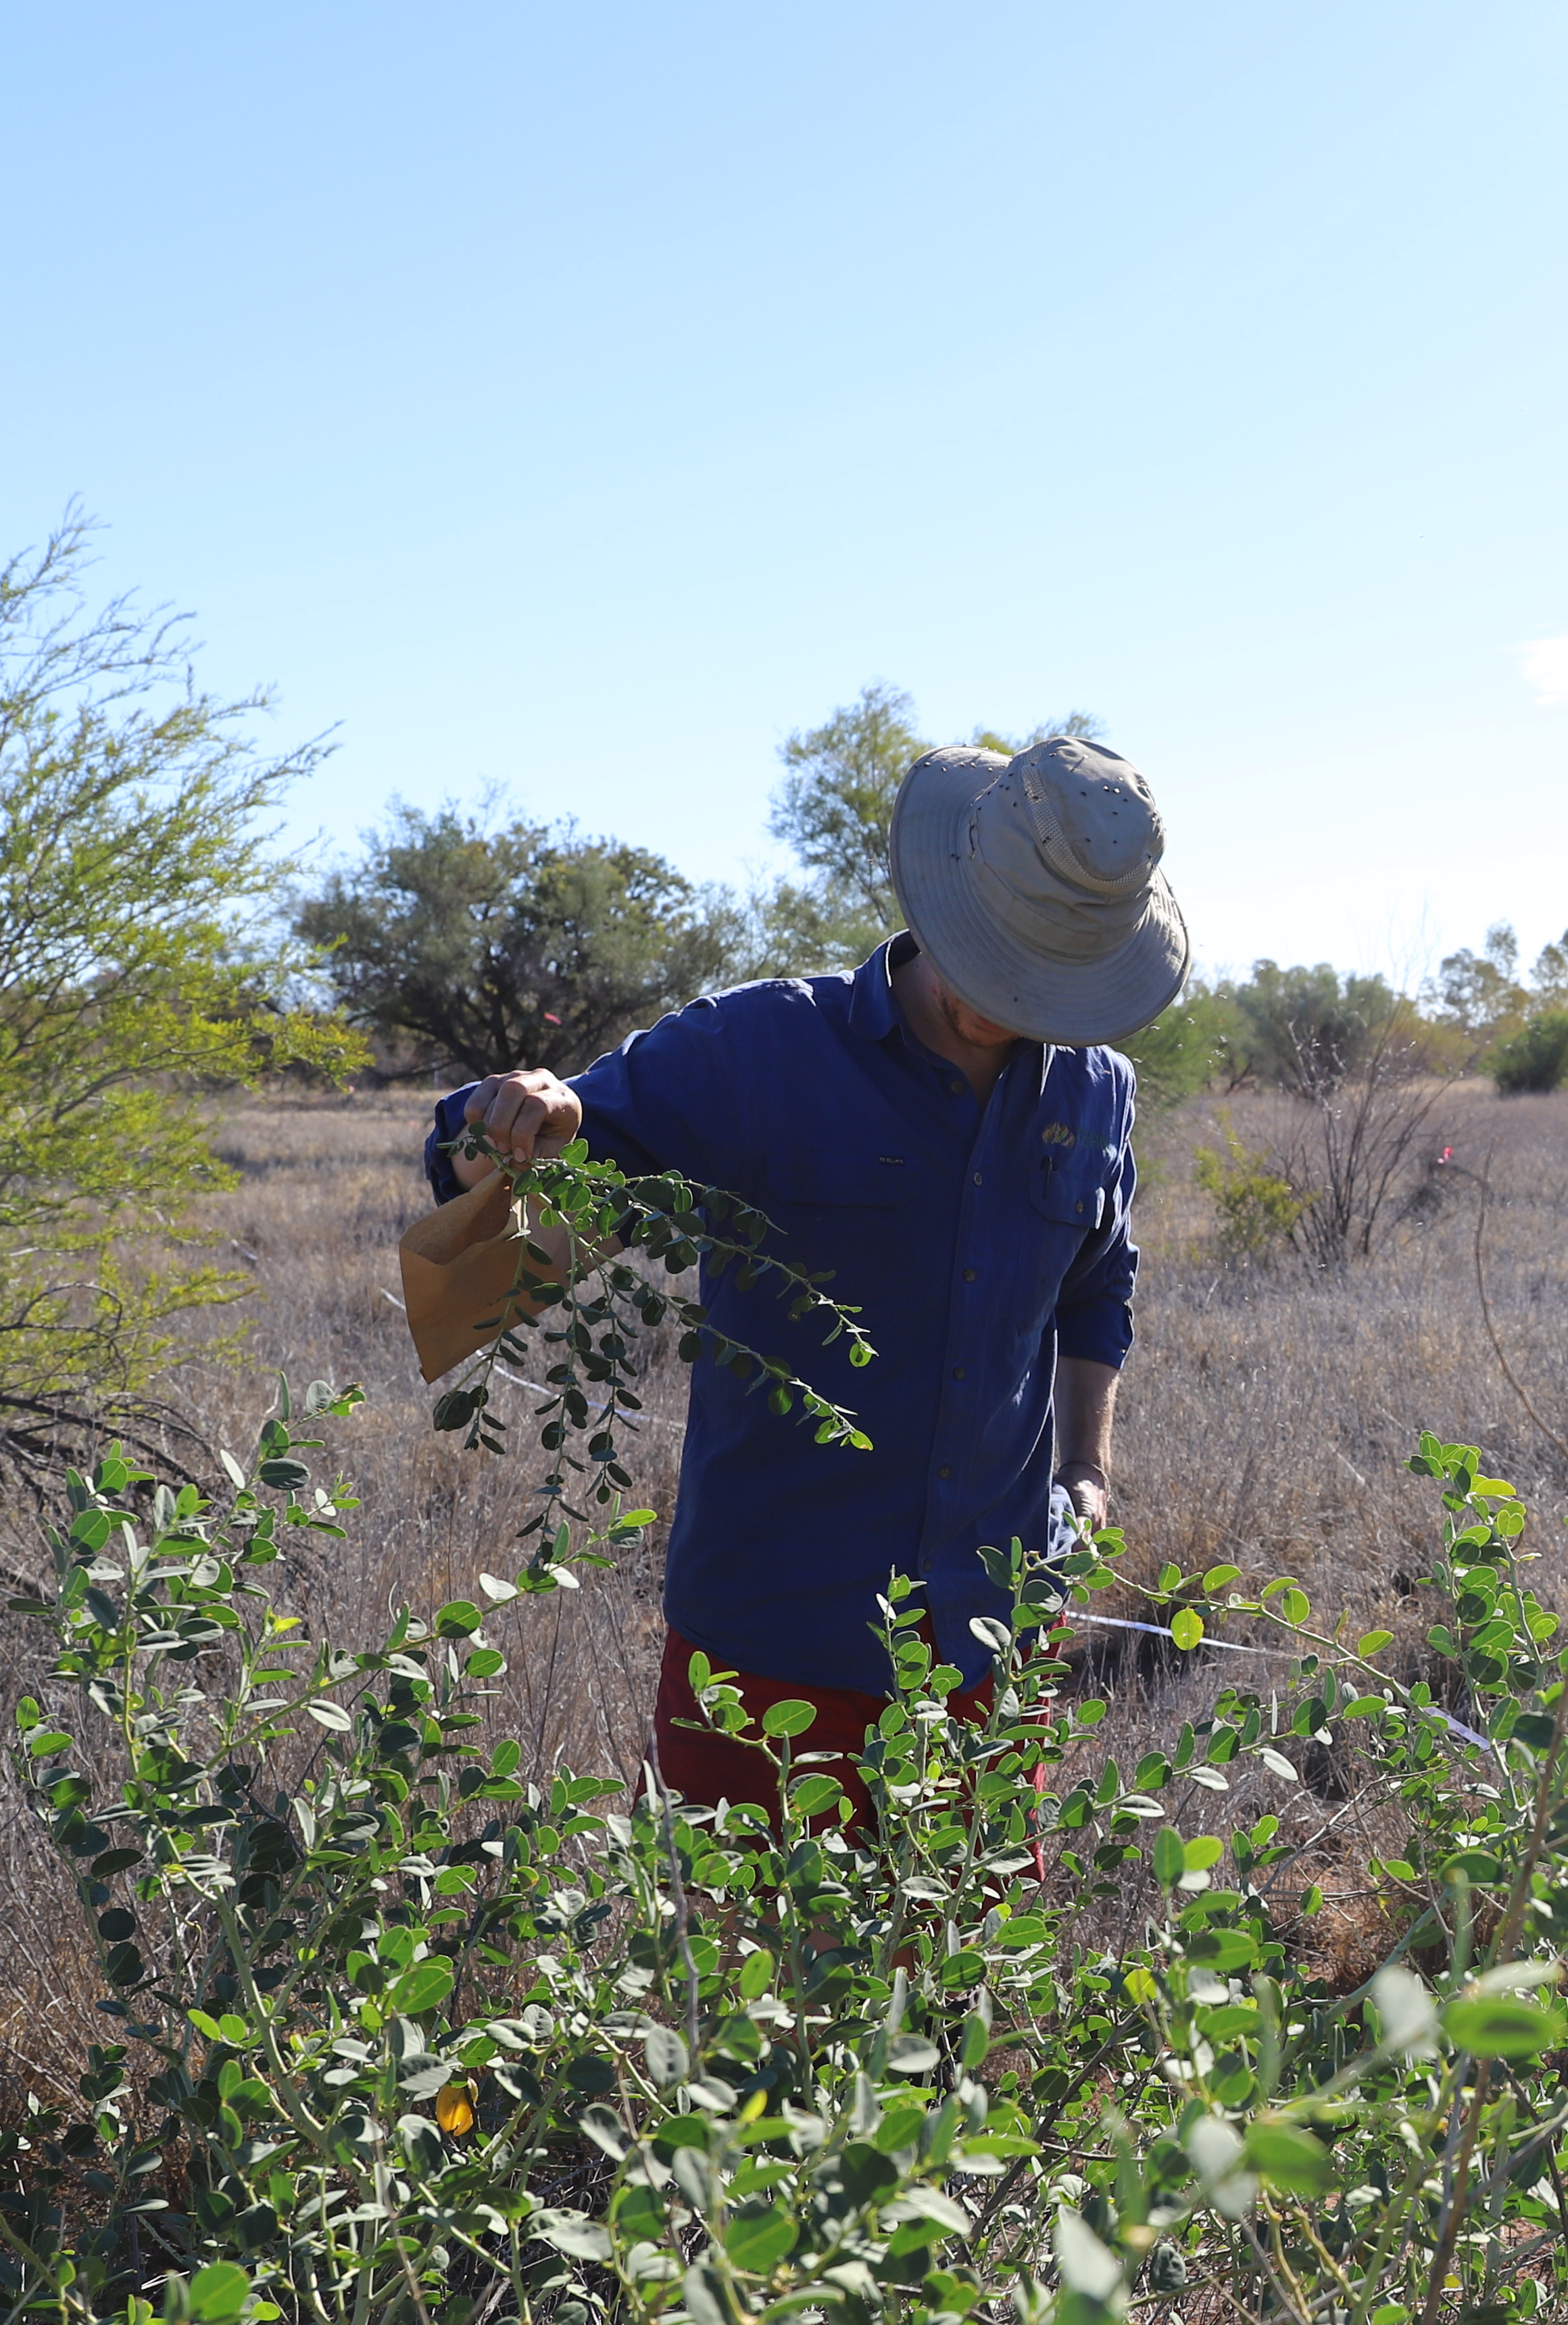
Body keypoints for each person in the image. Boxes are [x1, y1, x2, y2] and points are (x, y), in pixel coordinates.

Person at [423, 733, 1187, 1814]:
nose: (1006, 1006)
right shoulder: (763, 1047)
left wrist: (1088, 1475)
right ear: (947, 894)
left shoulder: (1096, 1092)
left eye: (1038, 981)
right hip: (771, 1647)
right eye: (989, 963)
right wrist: (506, 1125)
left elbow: (1097, 1285)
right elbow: (512, 1174)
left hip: (991, 1644)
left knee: (952, 1974)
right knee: (746, 1974)